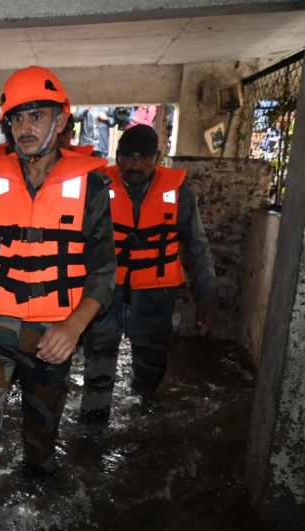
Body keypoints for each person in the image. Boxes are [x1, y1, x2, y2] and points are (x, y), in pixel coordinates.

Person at [0, 66, 116, 511]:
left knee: (41, 442)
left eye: (36, 116)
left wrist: (73, 329)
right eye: (16, 119)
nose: (24, 128)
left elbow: (103, 273)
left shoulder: (91, 186)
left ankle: (37, 510)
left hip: (51, 337)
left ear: (60, 121)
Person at [80, 125, 216, 423]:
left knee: (151, 362)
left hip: (156, 292)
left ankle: (143, 416)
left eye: (144, 157)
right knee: (99, 355)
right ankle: (92, 421)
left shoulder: (180, 193)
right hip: (106, 290)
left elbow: (197, 247)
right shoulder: (99, 186)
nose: (135, 164)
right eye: (128, 156)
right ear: (118, 156)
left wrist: (205, 298)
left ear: (158, 157)